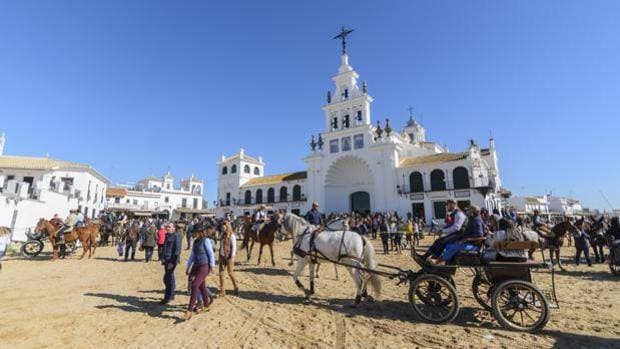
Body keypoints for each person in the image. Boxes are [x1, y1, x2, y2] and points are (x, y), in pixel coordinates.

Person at [184, 222, 215, 320]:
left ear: (200, 232)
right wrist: (188, 266)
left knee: (195, 285)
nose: (193, 234)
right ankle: (206, 305)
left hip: (204, 266)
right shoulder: (195, 242)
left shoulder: (206, 241)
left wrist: (212, 266)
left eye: (195, 232)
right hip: (196, 266)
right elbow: (192, 256)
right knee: (201, 286)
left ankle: (189, 310)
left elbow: (211, 254)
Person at [160, 223, 182, 305]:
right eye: (167, 227)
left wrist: (172, 262)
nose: (167, 228)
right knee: (170, 277)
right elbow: (165, 248)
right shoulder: (167, 235)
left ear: (173, 228)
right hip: (166, 259)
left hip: (171, 260)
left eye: (169, 227)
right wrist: (162, 258)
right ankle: (171, 294)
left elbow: (177, 251)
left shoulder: (177, 236)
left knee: (167, 278)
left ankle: (167, 298)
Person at [219, 220, 239, 297]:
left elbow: (234, 247)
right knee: (221, 273)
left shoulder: (232, 236)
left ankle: (236, 287)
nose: (222, 228)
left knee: (230, 273)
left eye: (223, 227)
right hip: (222, 256)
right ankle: (222, 290)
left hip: (229, 257)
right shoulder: (222, 235)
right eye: (222, 227)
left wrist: (232, 256)